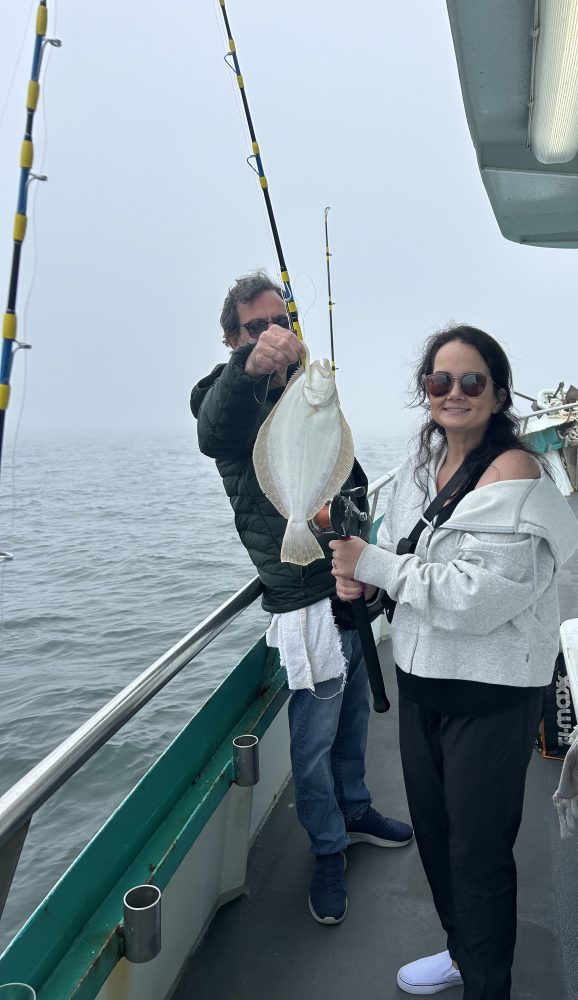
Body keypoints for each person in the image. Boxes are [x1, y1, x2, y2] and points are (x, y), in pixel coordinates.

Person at [330, 325, 578, 999]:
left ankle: (487, 984)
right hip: (423, 687)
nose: (454, 394)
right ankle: (462, 951)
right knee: (439, 843)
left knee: (478, 854)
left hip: (491, 699)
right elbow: (412, 559)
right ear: (426, 392)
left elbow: (478, 597)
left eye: (472, 382)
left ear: (499, 393)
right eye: (439, 382)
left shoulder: (517, 478)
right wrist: (367, 579)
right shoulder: (425, 465)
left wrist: (377, 564)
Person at [190, 270, 412, 926]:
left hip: (344, 590)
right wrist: (250, 369)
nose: (269, 334)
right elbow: (213, 429)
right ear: (231, 336)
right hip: (301, 603)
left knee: (351, 727)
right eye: (254, 326)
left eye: (279, 321)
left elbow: (351, 478)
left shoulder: (308, 392)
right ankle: (327, 850)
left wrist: (359, 555)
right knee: (311, 744)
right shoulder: (223, 395)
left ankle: (356, 808)